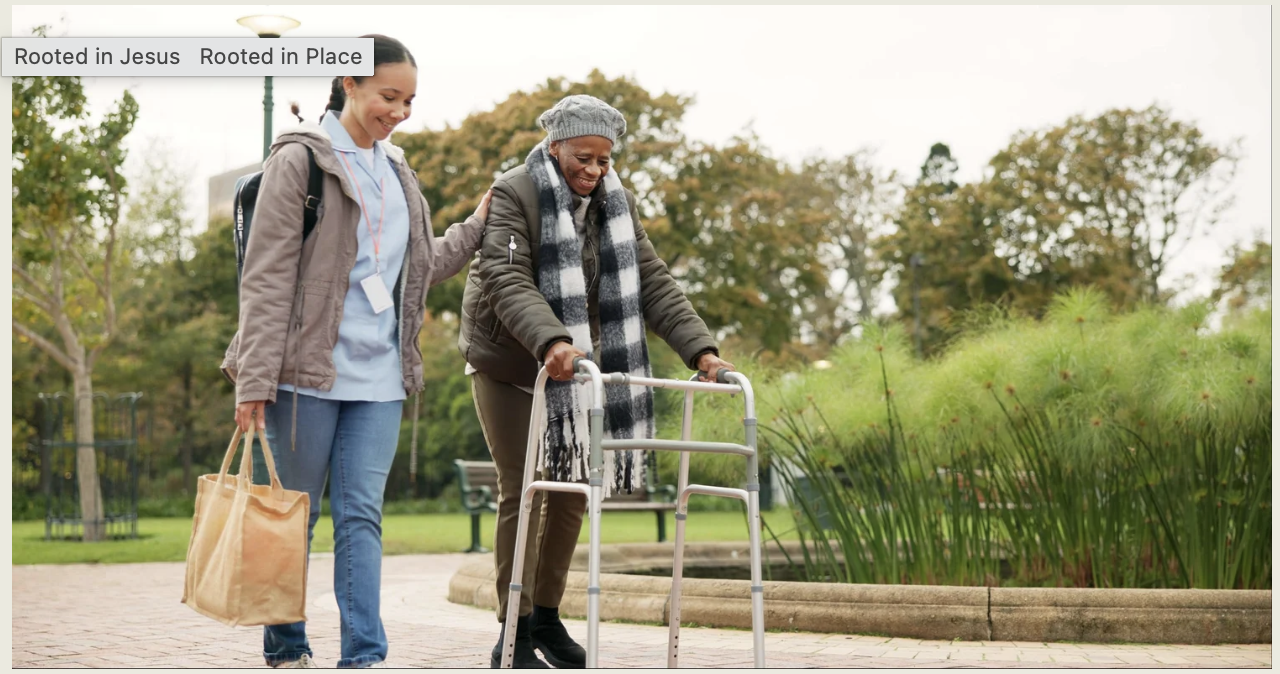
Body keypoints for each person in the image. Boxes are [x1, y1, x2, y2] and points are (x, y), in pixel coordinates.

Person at [222, 34, 490, 669]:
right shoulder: (299, 160)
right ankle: (287, 648)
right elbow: (266, 277)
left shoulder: (398, 172)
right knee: (294, 517)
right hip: (303, 375)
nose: (399, 112)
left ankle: (364, 656)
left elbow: (421, 266)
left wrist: (478, 224)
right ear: (349, 84)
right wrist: (254, 381)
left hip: (380, 377)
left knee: (362, 518)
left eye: (409, 101)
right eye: (388, 96)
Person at [458, 94, 735, 669]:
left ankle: (545, 617)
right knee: (524, 487)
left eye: (604, 160)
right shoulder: (516, 192)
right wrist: (551, 340)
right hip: (510, 364)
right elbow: (506, 277)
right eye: (582, 157)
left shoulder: (616, 202)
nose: (593, 170)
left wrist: (703, 352)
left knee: (571, 491)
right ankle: (513, 631)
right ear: (555, 146)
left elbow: (651, 281)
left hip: (577, 366)